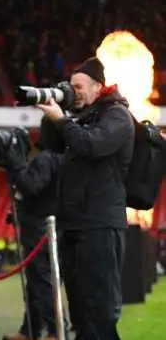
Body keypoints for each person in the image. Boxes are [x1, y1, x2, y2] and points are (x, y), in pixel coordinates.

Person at [35, 57, 134, 340]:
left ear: (97, 88)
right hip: (75, 223)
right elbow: (49, 144)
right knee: (80, 312)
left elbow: (92, 145)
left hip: (101, 224)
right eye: (70, 86)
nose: (73, 91)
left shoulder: (117, 115)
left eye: (78, 87)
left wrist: (63, 120)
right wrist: (52, 109)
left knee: (99, 312)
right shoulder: (80, 118)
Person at [2, 144, 66, 340]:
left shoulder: (47, 157)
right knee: (35, 284)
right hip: (52, 226)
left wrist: (16, 165)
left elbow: (31, 186)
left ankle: (56, 331)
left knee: (41, 282)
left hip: (40, 230)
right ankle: (29, 330)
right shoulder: (64, 156)